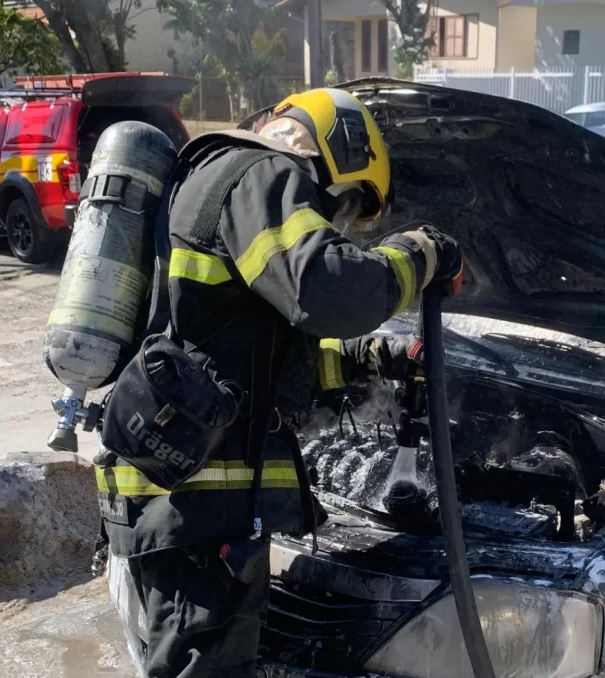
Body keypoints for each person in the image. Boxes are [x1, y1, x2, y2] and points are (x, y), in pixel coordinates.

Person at [99, 87, 465, 678]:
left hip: (180, 494)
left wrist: (376, 357)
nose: (337, 223)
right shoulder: (261, 173)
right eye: (347, 206)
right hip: (195, 504)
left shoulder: (215, 181)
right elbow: (330, 289)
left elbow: (255, 363)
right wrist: (423, 253)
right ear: (336, 149)